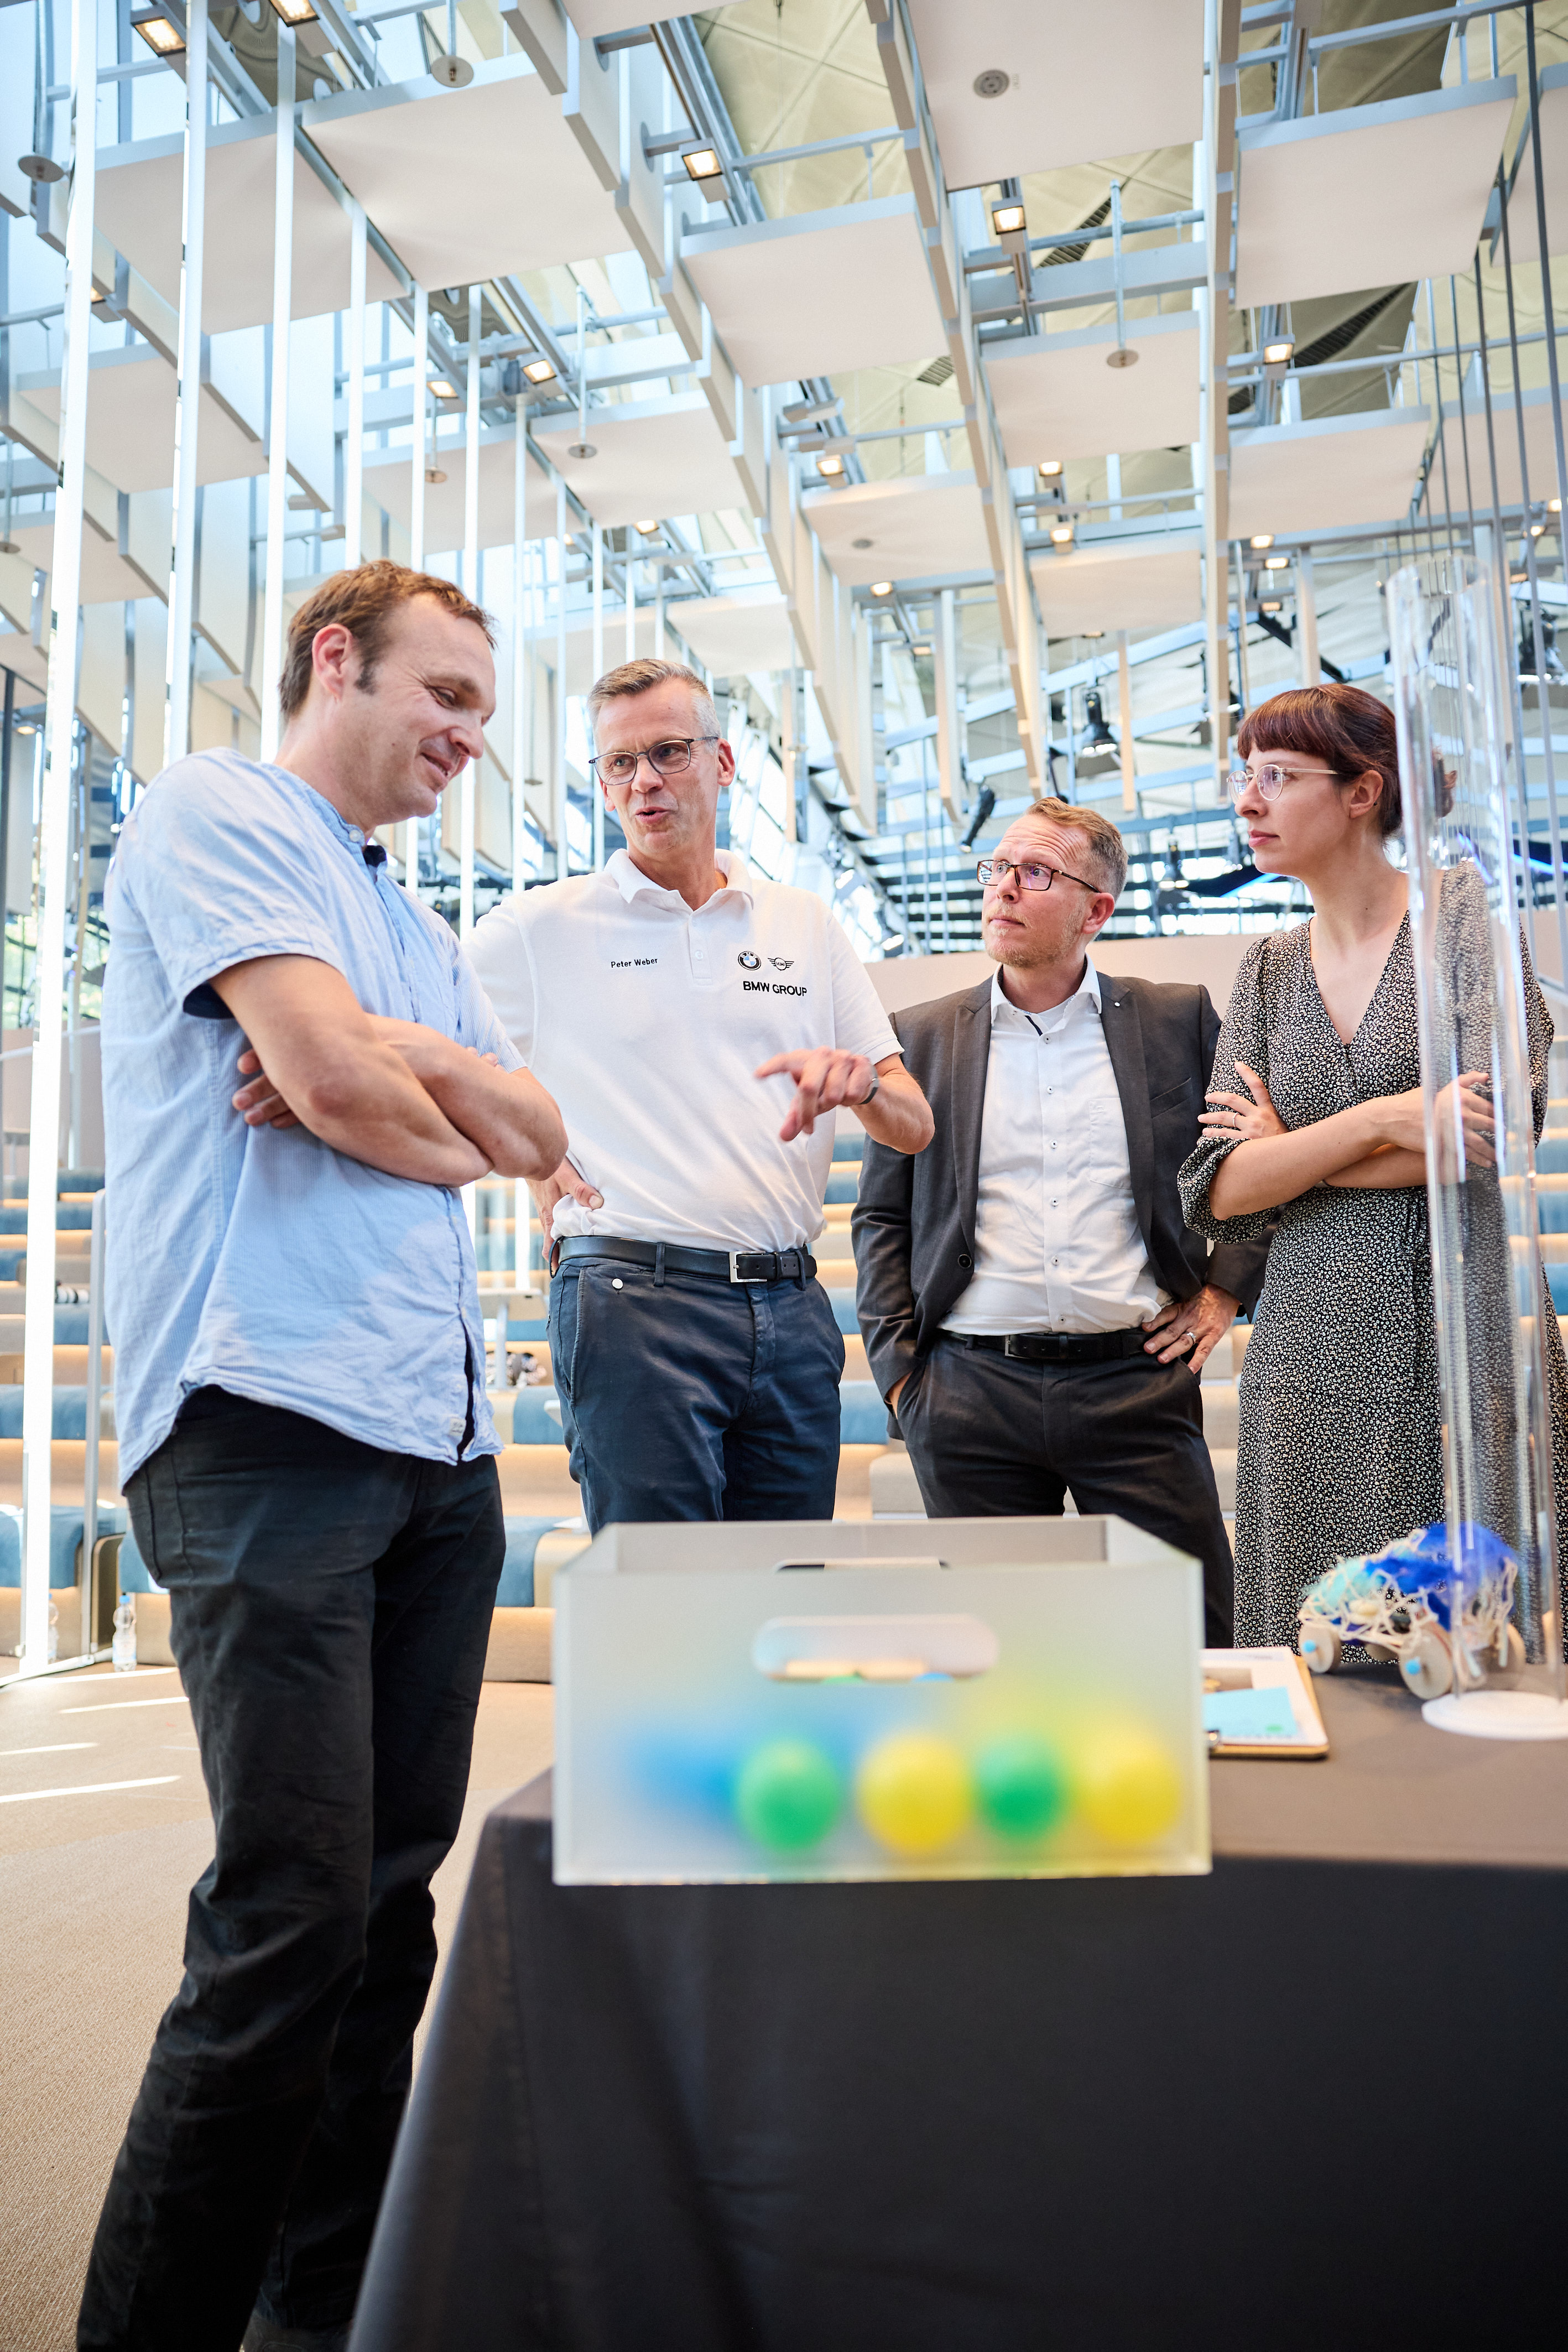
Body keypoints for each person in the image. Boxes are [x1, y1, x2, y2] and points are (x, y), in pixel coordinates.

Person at [80, 561, 566, 2352]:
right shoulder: (219, 809)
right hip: (261, 1419)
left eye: (482, 713)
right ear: (335, 659)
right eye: (444, 694)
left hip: (434, 1442)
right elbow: (347, 1089)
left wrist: (400, 1056)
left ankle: (326, 2317)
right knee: (284, 1925)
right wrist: (397, 1090)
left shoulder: (410, 925)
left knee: (379, 1920)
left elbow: (534, 1129)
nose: (464, 737)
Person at [467, 656, 933, 1527]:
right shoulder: (538, 929)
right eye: (620, 762)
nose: (644, 780)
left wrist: (866, 1083)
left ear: (722, 763)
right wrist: (534, 1153)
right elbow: (431, 1036)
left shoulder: (804, 922)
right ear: (603, 782)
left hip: (791, 1308)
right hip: (629, 1304)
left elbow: (913, 1125)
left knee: (784, 1583)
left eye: (669, 752)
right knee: (660, 1587)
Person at [1178, 681, 1568, 1647]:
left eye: (1277, 776)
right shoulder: (1267, 967)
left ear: (1363, 791)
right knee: (1311, 1633)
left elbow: (1484, 1139)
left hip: (1454, 1319)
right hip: (1306, 1343)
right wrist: (1386, 1121)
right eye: (1244, 777)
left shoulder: (1466, 924)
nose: (1248, 801)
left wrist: (1291, 1152)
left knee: (1467, 1636)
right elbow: (1219, 1190)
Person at [854, 797, 1269, 1645]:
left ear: (1096, 910)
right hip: (969, 1394)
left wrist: (1225, 1290)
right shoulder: (919, 1038)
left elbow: (1252, 1153)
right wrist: (904, 1375)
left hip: (1135, 1385)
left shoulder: (1177, 1017)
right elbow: (882, 1216)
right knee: (1006, 1655)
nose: (1004, 887)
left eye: (1035, 872)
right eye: (998, 868)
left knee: (1191, 1640)